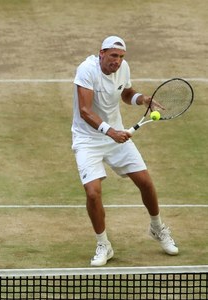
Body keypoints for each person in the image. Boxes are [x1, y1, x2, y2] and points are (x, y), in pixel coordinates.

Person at [71, 36, 179, 267]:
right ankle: (104, 244)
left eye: (121, 57)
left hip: (115, 135)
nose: (117, 61)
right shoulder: (86, 70)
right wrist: (111, 132)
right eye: (113, 56)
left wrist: (142, 99)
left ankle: (157, 228)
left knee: (146, 182)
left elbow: (125, 93)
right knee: (92, 193)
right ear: (101, 53)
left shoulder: (123, 68)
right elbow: (84, 111)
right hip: (88, 139)